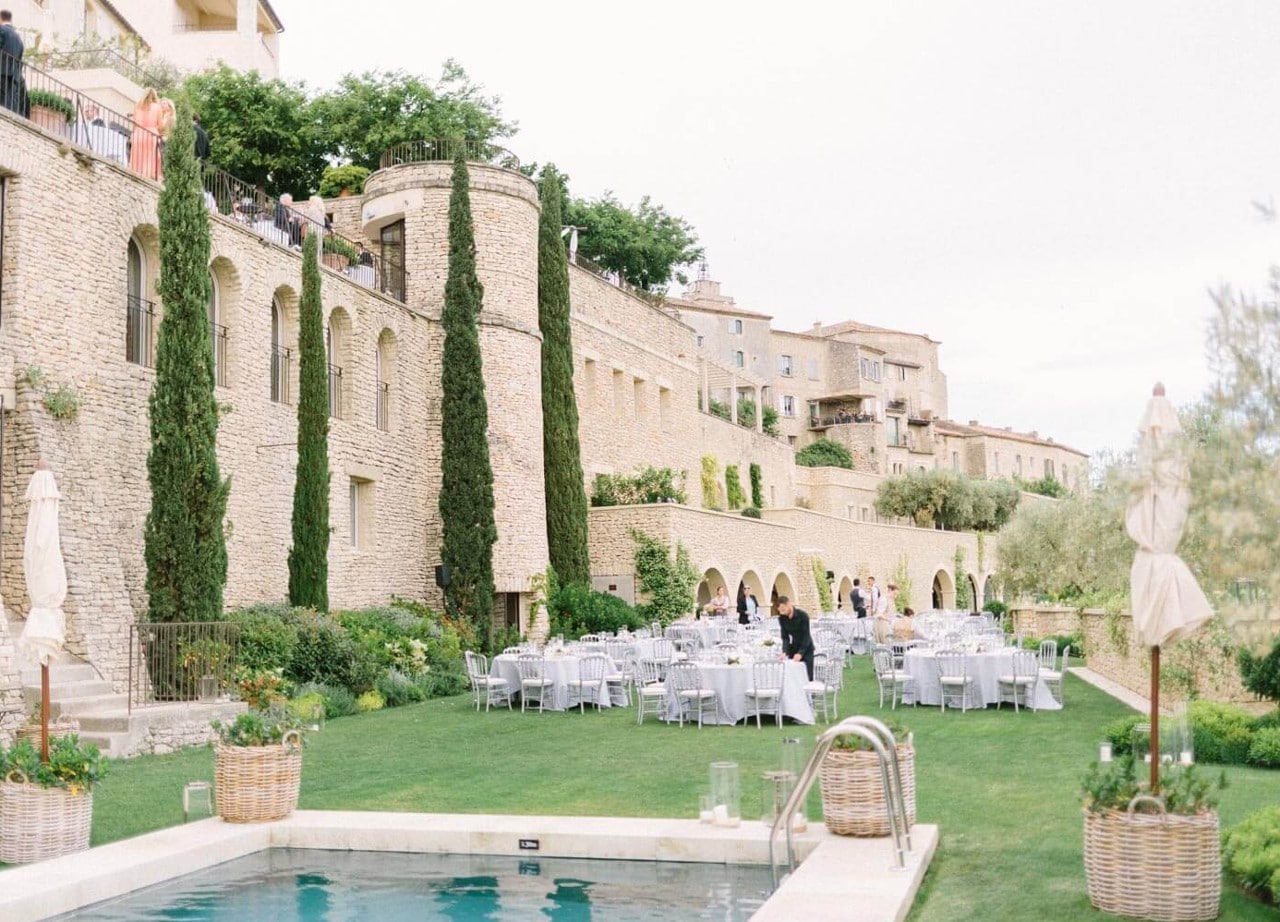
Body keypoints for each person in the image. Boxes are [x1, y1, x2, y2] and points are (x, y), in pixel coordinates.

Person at [130, 87, 166, 181]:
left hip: (138, 133)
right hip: (151, 134)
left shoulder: (137, 105)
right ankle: (147, 177)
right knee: (149, 157)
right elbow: (161, 125)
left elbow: (134, 123)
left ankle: (135, 175)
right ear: (155, 96)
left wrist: (133, 134)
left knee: (138, 156)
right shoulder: (157, 107)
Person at [777, 596, 816, 680]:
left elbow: (806, 636)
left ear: (789, 604)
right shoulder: (782, 618)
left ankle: (809, 693)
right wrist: (785, 651)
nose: (782, 612)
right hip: (794, 647)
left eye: (783, 609)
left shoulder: (803, 615)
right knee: (794, 676)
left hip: (806, 647)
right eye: (780, 611)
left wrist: (801, 653)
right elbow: (785, 637)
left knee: (808, 676)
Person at [0, 10, 29, 118]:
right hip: (14, 73)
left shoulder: (2, 30)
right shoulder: (18, 37)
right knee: (8, 98)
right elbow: (20, 56)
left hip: (2, 69)